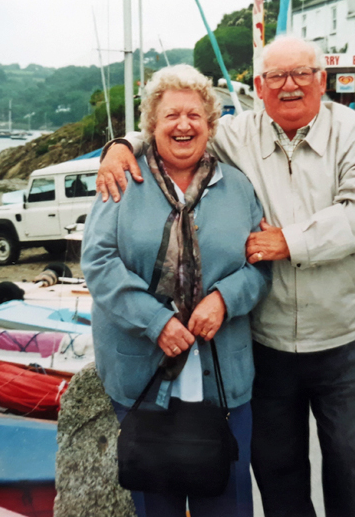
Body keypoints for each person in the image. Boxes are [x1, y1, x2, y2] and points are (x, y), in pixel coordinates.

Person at [97, 35, 355, 517]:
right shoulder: (238, 134)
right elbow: (175, 125)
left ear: (322, 80)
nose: (289, 85)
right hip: (270, 342)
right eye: (276, 76)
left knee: (349, 461)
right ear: (259, 86)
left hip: (344, 338)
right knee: (277, 468)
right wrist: (119, 146)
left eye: (301, 73)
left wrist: (288, 242)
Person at [81, 64, 271, 517]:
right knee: (155, 505)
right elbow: (98, 262)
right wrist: (156, 321)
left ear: (210, 124)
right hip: (142, 381)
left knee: (227, 503)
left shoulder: (238, 187)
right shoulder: (122, 180)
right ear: (152, 125)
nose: (183, 125)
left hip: (223, 379)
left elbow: (261, 265)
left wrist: (224, 299)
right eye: (171, 115)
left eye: (194, 115)